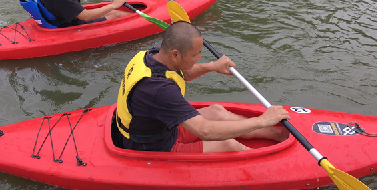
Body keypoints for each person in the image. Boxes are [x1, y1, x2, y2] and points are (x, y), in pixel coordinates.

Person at [114, 21, 291, 153]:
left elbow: (180, 73)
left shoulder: (151, 56)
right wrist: (262, 119)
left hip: (163, 127)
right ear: (175, 54)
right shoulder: (159, 90)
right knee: (228, 144)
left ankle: (275, 133)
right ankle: (265, 160)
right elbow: (204, 131)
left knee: (217, 112)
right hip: (153, 146)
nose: (199, 57)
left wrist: (213, 66)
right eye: (195, 54)